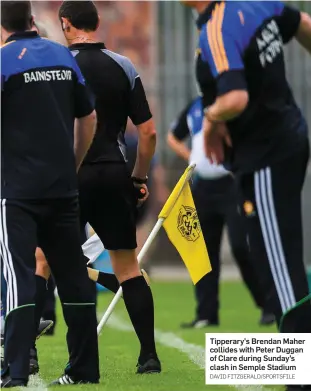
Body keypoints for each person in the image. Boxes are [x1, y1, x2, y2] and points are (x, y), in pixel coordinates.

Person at [183, 2, 311, 391]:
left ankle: (300, 381)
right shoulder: (254, 3)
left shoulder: (218, 28)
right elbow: (302, 23)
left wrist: (209, 121)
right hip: (282, 142)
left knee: (281, 270)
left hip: (267, 155)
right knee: (270, 257)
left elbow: (234, 98)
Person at [58, 1, 161, 374]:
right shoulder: (124, 66)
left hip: (70, 175)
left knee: (46, 262)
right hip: (115, 172)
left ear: (66, 25)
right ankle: (148, 355)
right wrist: (138, 178)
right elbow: (147, 133)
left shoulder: (59, 65)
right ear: (98, 23)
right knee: (128, 269)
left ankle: (35, 354)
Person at [1, 1, 99, 387]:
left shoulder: (5, 61)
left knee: (18, 275)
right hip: (63, 188)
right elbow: (88, 117)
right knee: (74, 276)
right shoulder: (62, 55)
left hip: (18, 191)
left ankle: (15, 370)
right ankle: (84, 370)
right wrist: (73, 166)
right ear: (31, 19)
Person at [167, 96, 275, 327]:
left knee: (241, 246)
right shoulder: (194, 106)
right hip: (202, 188)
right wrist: (192, 158)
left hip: (231, 184)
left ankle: (267, 305)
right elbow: (172, 137)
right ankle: (206, 314)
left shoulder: (232, 102)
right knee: (204, 253)